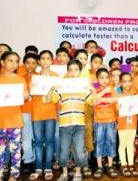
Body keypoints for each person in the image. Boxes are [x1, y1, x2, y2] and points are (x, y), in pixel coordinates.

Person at [47, 60, 96, 181]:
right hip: (65, 125)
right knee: (64, 151)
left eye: (76, 70)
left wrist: (93, 90)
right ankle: (64, 173)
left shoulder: (84, 89)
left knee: (80, 151)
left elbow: (93, 102)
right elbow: (49, 100)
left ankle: (78, 172)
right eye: (70, 70)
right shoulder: (62, 88)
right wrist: (51, 89)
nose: (73, 72)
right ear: (67, 72)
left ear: (80, 72)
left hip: (79, 125)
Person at [0, 51, 29, 181]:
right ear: (2, 62)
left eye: (16, 61)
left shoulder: (20, 79)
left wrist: (26, 95)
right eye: (10, 60)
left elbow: (25, 97)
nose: (14, 64)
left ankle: (14, 175)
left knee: (15, 150)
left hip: (14, 120)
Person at [29, 50, 59, 181]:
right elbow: (29, 95)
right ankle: (38, 168)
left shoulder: (56, 76)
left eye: (48, 58)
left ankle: (48, 167)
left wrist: (54, 89)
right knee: (37, 141)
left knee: (50, 140)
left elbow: (58, 96)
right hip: (37, 111)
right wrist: (30, 88)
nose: (45, 61)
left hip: (51, 111)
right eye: (43, 58)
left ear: (52, 61)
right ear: (39, 61)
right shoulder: (33, 77)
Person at [93, 68, 118, 179]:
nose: (104, 80)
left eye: (106, 77)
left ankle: (110, 165)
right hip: (98, 121)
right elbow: (94, 101)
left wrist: (101, 99)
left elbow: (115, 100)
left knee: (111, 141)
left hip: (110, 120)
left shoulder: (112, 88)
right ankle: (99, 166)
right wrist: (104, 92)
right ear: (97, 79)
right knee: (98, 141)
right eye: (101, 78)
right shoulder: (95, 89)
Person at [117, 72, 138, 177]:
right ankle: (123, 164)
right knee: (122, 145)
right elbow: (115, 112)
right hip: (122, 124)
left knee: (130, 145)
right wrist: (117, 108)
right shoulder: (118, 96)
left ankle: (131, 164)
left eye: (129, 81)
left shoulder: (135, 95)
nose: (127, 84)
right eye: (124, 81)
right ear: (120, 83)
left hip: (132, 124)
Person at [20, 53, 38, 174]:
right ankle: (27, 161)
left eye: (33, 63)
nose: (30, 65)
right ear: (24, 64)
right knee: (26, 137)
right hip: (25, 111)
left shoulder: (41, 77)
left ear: (38, 64)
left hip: (39, 111)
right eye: (28, 63)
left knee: (38, 138)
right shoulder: (20, 78)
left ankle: (37, 160)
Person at [128, 57, 138, 163]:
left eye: (137, 66)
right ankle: (132, 149)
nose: (134, 68)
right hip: (129, 108)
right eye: (132, 66)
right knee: (131, 129)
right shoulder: (125, 77)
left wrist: (134, 80)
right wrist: (129, 79)